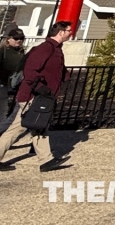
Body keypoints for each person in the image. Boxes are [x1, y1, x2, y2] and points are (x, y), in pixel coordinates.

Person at [0, 20, 73, 172]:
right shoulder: (45, 48)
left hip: (40, 96)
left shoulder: (56, 49)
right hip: (32, 96)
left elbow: (57, 70)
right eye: (69, 31)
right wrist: (40, 88)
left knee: (37, 127)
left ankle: (46, 160)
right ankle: (46, 160)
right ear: (60, 32)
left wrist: (65, 78)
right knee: (22, 129)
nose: (71, 33)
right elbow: (30, 71)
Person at [0, 27, 26, 132]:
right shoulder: (3, 50)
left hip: (12, 85)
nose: (19, 40)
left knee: (4, 110)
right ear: (9, 39)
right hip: (1, 83)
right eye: (16, 38)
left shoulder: (22, 52)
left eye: (21, 38)